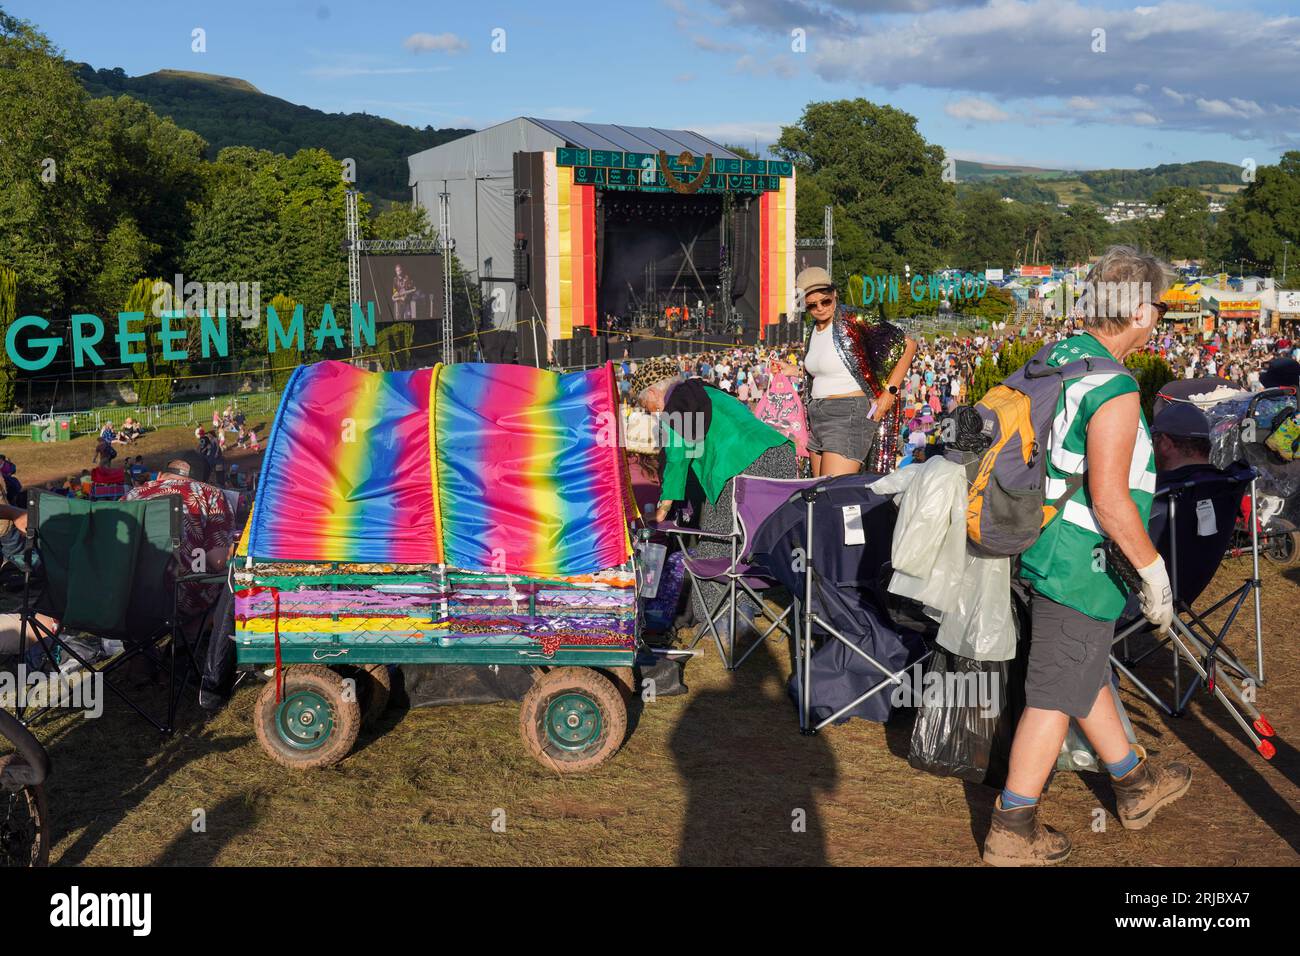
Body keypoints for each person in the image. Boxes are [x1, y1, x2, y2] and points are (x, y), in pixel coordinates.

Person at [984, 246, 1191, 866]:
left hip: (1033, 541)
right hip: (1080, 560)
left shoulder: (1059, 356)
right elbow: (1110, 499)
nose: (1160, 317)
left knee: (1078, 664)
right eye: (1158, 306)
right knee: (1052, 692)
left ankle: (1132, 783)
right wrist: (1153, 572)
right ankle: (1011, 829)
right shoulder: (1116, 387)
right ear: (1139, 313)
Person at [631, 356, 796, 642]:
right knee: (748, 542)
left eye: (649, 406)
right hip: (779, 457)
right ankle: (744, 606)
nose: (653, 412)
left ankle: (721, 624)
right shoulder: (707, 391)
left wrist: (664, 506)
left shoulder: (676, 404)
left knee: (714, 545)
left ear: (655, 393)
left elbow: (677, 458)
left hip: (740, 468)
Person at [775, 267, 917, 477]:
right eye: (812, 305)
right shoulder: (813, 330)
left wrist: (890, 391)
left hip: (847, 414)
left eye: (826, 301)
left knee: (832, 496)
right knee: (817, 496)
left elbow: (908, 344)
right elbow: (833, 370)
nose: (820, 308)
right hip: (817, 417)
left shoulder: (851, 319)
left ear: (834, 294)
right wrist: (793, 370)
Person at [125, 452, 236, 710]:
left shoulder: (133, 495)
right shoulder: (210, 495)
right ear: (204, 478)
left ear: (162, 475)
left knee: (139, 585)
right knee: (225, 585)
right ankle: (180, 654)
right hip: (180, 599)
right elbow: (217, 560)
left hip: (128, 599)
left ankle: (140, 656)